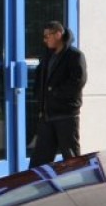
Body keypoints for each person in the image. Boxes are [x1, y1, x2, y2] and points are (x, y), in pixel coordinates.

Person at [31, 21, 87, 168]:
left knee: (72, 159)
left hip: (66, 116)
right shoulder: (47, 56)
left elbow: (78, 81)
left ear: (58, 34)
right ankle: (37, 188)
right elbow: (40, 79)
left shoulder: (75, 56)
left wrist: (55, 93)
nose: (44, 40)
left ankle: (78, 188)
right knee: (39, 161)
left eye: (47, 36)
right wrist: (39, 95)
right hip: (47, 115)